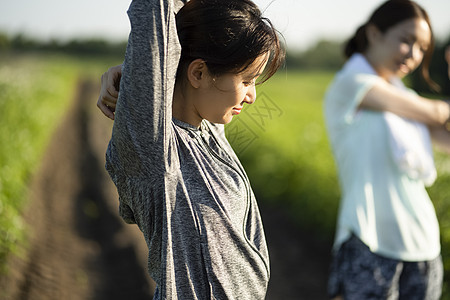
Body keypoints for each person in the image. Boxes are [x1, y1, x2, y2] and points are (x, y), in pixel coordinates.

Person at [96, 0, 284, 298]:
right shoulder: (156, 153)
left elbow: (194, 29)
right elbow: (155, 12)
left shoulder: (208, 131)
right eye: (246, 80)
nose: (252, 96)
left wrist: (133, 71)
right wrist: (140, 78)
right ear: (197, 74)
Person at [324, 0, 450, 299]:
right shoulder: (351, 84)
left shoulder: (404, 98)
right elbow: (436, 112)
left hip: (422, 246)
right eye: (406, 41)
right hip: (369, 241)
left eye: (422, 48)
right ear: (374, 33)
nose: (414, 55)